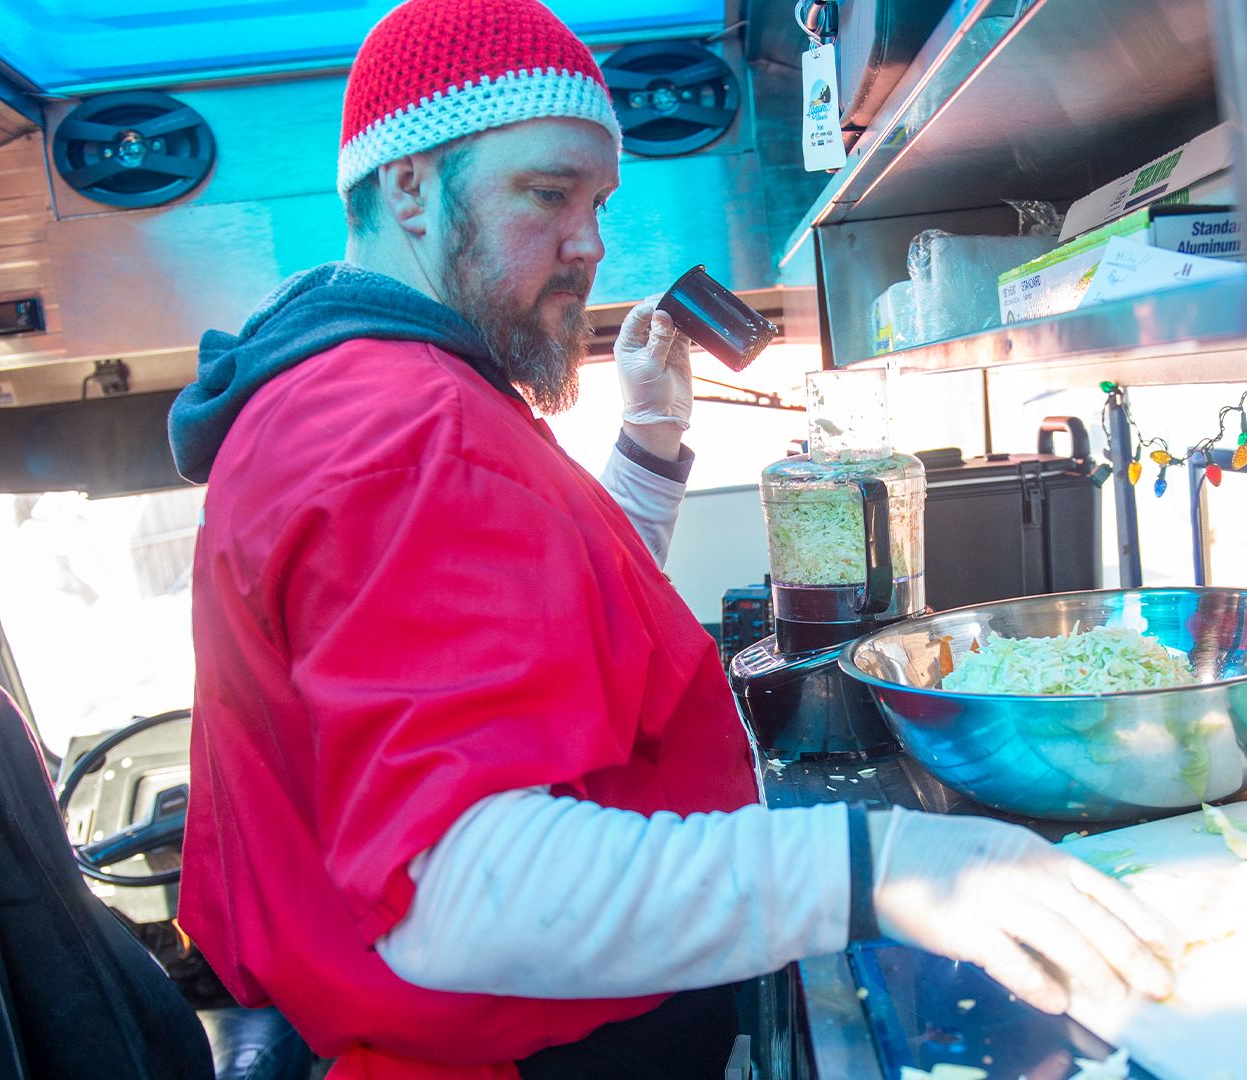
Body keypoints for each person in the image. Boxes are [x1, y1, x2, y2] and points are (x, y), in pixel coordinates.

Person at [166, 1, 1180, 1077]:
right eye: (548, 194)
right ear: (408, 185)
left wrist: (650, 433)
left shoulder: (364, 391)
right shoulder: (402, 427)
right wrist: (886, 865)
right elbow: (455, 892)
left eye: (599, 201)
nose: (590, 244)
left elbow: (534, 626)